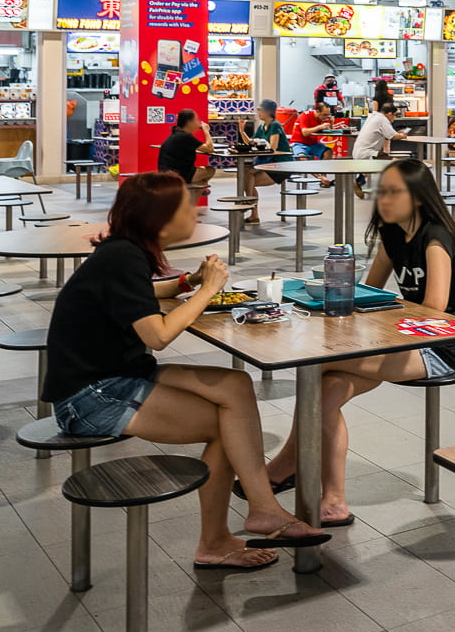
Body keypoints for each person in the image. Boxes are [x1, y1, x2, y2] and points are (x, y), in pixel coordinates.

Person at [40, 171, 329, 568]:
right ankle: (220, 538)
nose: (194, 209)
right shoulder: (122, 257)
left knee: (234, 385)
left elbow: (138, 293)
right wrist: (208, 289)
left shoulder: (125, 253)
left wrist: (184, 283)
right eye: (184, 205)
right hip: (89, 395)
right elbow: (157, 335)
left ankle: (260, 508)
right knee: (224, 424)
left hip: (117, 373)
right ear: (158, 217)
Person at [262, 159, 455, 525]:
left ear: (420, 198)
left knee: (314, 364)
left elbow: (435, 308)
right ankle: (334, 502)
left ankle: (287, 462)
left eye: (394, 192)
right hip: (403, 339)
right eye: (383, 191)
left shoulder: (436, 236)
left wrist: (380, 328)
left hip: (440, 346)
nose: (384, 200)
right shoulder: (394, 235)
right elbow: (369, 291)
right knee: (326, 390)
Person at [243, 99, 291, 223]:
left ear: (268, 111)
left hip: (281, 165)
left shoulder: (275, 125)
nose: (258, 112)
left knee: (248, 177)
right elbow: (251, 142)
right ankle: (253, 212)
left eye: (260, 110)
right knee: (247, 177)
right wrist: (242, 131)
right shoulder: (262, 127)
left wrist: (260, 145)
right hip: (268, 164)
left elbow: (273, 147)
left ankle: (249, 202)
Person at [351, 99, 407, 196]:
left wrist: (397, 133)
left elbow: (386, 133)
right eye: (395, 115)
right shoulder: (382, 119)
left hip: (358, 151)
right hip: (368, 152)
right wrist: (403, 135)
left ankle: (359, 181)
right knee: (397, 163)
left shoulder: (374, 116)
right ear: (389, 114)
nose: (394, 118)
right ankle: (394, 189)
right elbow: (393, 136)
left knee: (369, 168)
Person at [156, 108, 216, 187]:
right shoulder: (185, 137)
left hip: (166, 172)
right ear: (189, 122)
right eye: (197, 120)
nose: (199, 123)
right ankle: (193, 194)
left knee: (200, 175)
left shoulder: (177, 134)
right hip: (179, 174)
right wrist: (206, 131)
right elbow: (209, 148)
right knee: (210, 170)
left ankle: (195, 192)